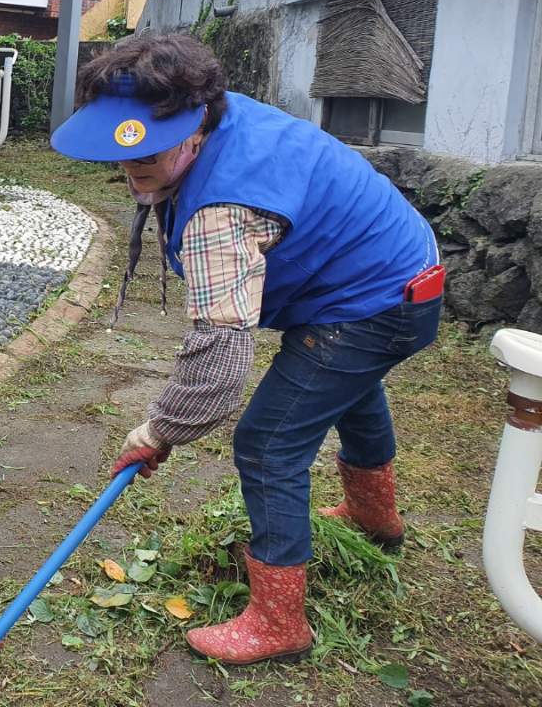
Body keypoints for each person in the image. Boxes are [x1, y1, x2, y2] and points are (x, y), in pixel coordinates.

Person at [51, 34, 444, 666]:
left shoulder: (220, 212)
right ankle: (377, 519)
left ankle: (278, 620)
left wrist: (157, 430)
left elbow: (217, 366)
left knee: (267, 444)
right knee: (347, 386)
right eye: (123, 148)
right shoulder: (219, 113)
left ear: (194, 119)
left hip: (379, 299)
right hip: (397, 273)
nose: (133, 163)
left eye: (153, 143)